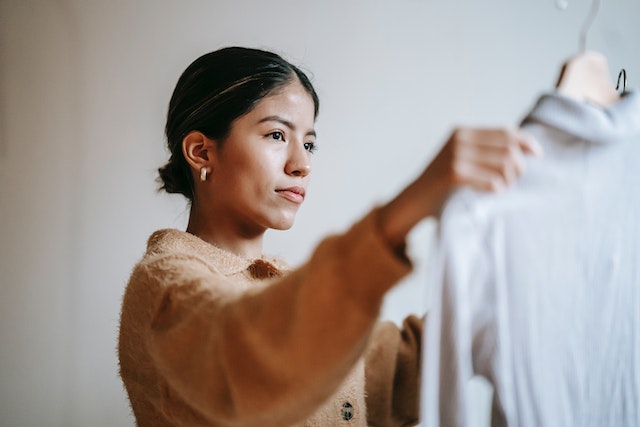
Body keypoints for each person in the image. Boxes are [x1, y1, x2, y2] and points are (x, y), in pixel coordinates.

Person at [118, 46, 541, 427]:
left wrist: (494, 299)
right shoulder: (162, 286)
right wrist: (405, 209)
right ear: (201, 152)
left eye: (310, 143)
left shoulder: (288, 287)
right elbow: (252, 360)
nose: (302, 163)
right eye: (277, 135)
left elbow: (390, 374)